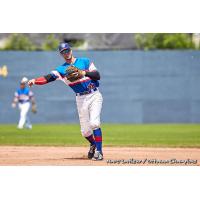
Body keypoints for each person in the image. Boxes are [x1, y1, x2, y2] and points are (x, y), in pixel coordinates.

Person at [28, 42, 104, 161]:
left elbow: (97, 75)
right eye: (63, 52)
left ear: (71, 50)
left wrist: (83, 72)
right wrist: (34, 81)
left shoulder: (85, 61)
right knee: (85, 132)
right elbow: (48, 78)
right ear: (61, 54)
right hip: (80, 98)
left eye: (67, 50)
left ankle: (99, 152)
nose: (66, 53)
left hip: (94, 95)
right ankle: (93, 144)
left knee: (94, 123)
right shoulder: (61, 69)